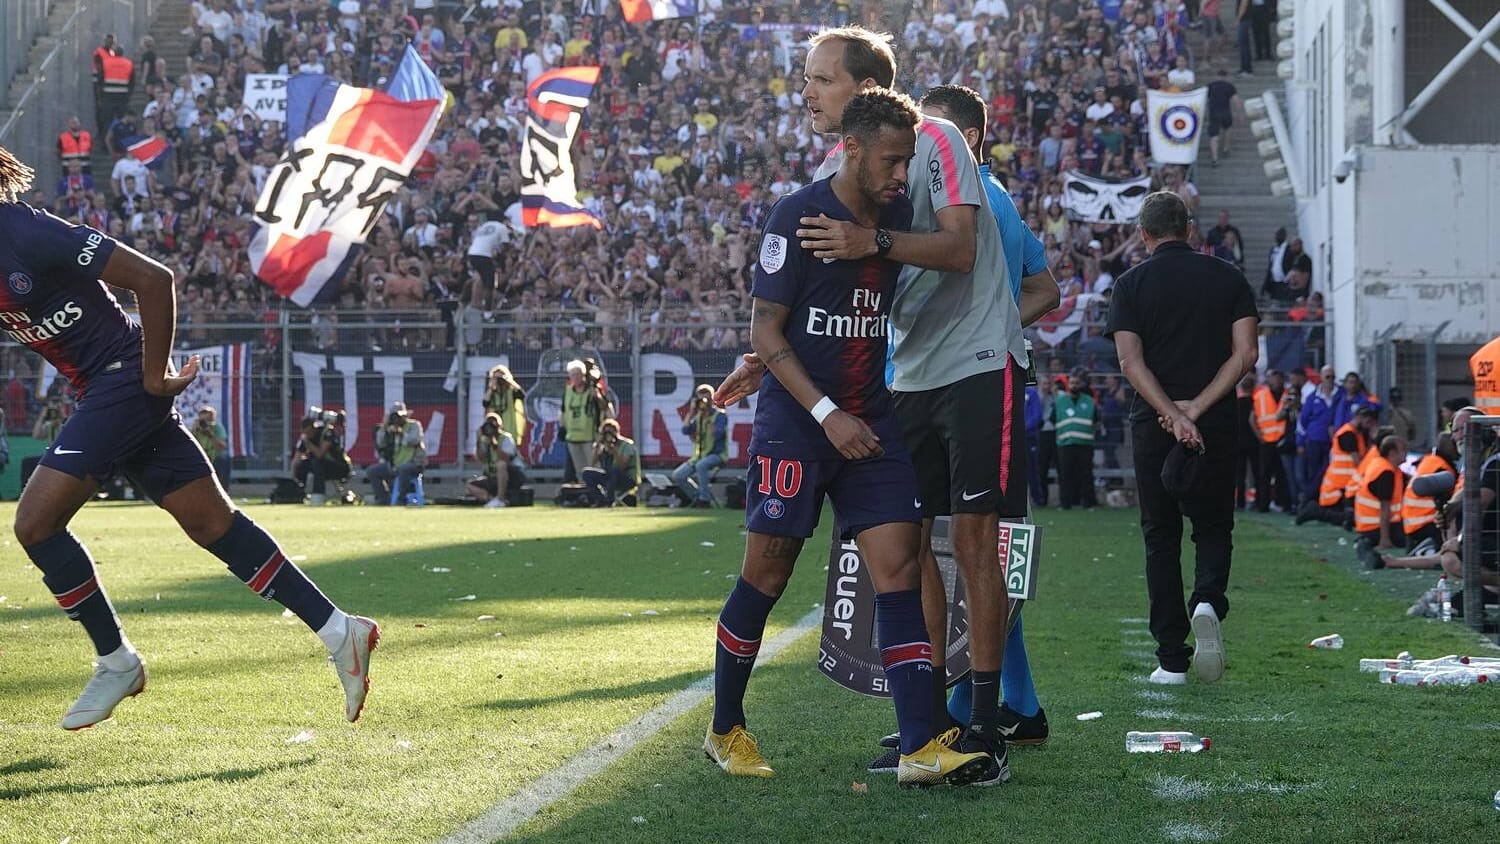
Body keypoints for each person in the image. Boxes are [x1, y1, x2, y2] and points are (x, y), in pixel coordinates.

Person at [714, 31, 1026, 781]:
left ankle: (935, 735)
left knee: (909, 556)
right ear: (857, 150)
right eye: (809, 78)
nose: (808, 92)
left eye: (821, 79)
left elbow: (955, 249)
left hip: (929, 383)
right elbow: (785, 309)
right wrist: (769, 360)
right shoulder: (813, 197)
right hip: (830, 411)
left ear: (860, 93)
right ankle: (726, 726)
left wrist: (871, 241)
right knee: (770, 569)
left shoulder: (933, 143)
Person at [0, 144, 377, 730]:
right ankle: (339, 630)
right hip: (104, 391)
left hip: (123, 381)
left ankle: (116, 660)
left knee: (35, 524)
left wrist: (154, 374)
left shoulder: (26, 231)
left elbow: (155, 280)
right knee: (211, 524)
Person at [917, 83, 1059, 746]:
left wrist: (987, 329)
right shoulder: (969, 193)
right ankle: (1020, 704)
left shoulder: (980, 196)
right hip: (960, 379)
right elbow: (1044, 286)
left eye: (937, 128)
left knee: (974, 550)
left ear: (970, 137)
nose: (925, 139)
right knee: (974, 549)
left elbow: (1044, 289)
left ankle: (975, 705)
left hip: (976, 383)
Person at [1107, 191, 1260, 685]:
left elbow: (1130, 363)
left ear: (1143, 235)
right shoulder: (1229, 278)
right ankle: (1210, 601)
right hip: (1214, 419)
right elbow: (1245, 355)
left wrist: (1172, 413)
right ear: (1190, 229)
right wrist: (1196, 408)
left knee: (1161, 536)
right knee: (1214, 526)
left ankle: (1171, 658)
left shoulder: (1130, 284)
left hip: (1153, 423)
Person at [1299, 405, 1379, 524]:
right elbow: (1358, 462)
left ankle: (1316, 511)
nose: (1370, 425)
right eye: (1368, 421)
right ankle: (1315, 512)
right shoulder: (1348, 434)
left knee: (1352, 516)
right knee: (1349, 518)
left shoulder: (1357, 434)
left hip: (1345, 485)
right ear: (1359, 417)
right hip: (1339, 487)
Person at [1354, 435, 1408, 570]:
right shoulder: (1386, 472)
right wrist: (1384, 539)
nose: (1406, 452)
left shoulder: (1381, 465)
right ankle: (1368, 547)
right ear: (1392, 453)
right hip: (1377, 527)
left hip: (1369, 525)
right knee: (1411, 538)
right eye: (1403, 449)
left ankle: (1365, 543)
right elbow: (1385, 507)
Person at [671, 383, 728, 508]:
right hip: (699, 456)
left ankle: (704, 500)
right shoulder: (698, 417)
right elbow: (685, 430)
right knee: (677, 475)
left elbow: (718, 435)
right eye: (700, 398)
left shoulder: (720, 415)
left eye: (706, 398)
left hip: (717, 455)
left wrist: (709, 423)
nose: (703, 402)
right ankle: (698, 497)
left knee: (701, 465)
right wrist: (691, 412)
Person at [1054, 367, 1098, 509]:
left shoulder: (1090, 401)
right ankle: (1065, 503)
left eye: (1076, 383)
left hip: (1085, 444)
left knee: (1086, 475)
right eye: (1072, 383)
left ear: (1081, 385)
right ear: (1068, 384)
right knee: (1065, 475)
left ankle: (1088, 503)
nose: (1074, 385)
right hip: (1065, 443)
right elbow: (1053, 419)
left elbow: (1096, 420)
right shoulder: (1060, 401)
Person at [561, 358, 610, 482]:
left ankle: (600, 493)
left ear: (583, 375)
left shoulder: (592, 390)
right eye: (572, 375)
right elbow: (563, 411)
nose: (575, 378)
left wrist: (597, 395)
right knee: (579, 470)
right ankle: (585, 493)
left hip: (590, 436)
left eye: (578, 374)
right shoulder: (568, 392)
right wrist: (563, 427)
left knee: (594, 467)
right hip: (573, 436)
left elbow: (604, 407)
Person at [1250, 370, 1292, 512]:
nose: (1276, 381)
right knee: (1265, 474)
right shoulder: (1260, 395)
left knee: (1283, 474)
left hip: (1281, 440)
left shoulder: (1288, 395)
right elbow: (1252, 418)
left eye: (1279, 378)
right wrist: (1259, 436)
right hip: (1266, 440)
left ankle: (1283, 503)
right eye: (1273, 378)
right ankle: (1263, 504)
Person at [368, 401, 426, 504]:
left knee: (404, 469)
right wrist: (384, 428)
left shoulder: (414, 425)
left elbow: (415, 440)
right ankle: (384, 499)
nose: (397, 419)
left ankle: (402, 498)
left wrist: (401, 433)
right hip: (395, 463)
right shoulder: (390, 428)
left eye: (399, 416)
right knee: (373, 471)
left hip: (414, 463)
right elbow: (380, 443)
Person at [1297, 365, 1338, 505]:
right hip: (1315, 441)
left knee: (1327, 472)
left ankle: (1320, 500)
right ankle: (1311, 500)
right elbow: (1302, 421)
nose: (1330, 380)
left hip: (1333, 442)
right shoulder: (1312, 397)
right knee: (1313, 472)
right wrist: (1300, 442)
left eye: (1333, 377)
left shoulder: (1339, 395)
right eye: (1328, 377)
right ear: (1321, 378)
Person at [468, 411, 525, 508]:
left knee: (501, 464)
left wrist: (494, 444)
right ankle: (491, 500)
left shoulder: (506, 438)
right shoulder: (485, 440)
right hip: (494, 476)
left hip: (513, 475)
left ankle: (500, 499)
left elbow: (505, 459)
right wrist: (478, 441)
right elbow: (480, 458)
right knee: (471, 485)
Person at [582, 418, 640, 506]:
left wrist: (614, 452)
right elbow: (592, 464)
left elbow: (622, 467)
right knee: (587, 473)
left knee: (615, 471)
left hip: (627, 479)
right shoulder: (603, 446)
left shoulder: (627, 445)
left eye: (611, 432)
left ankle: (610, 500)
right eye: (605, 433)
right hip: (610, 477)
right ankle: (601, 500)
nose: (608, 436)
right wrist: (598, 448)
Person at [482, 363, 526, 446]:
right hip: (494, 427)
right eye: (496, 378)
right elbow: (485, 403)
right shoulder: (492, 393)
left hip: (509, 427)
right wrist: (491, 387)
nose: (499, 381)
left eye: (500, 378)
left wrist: (509, 381)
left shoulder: (511, 392)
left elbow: (522, 395)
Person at [1204, 71, 1241, 166]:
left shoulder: (1210, 86)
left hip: (1214, 114)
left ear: (1216, 76)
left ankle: (1214, 159)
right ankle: (1226, 148)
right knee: (1227, 128)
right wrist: (1239, 114)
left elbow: (1203, 99)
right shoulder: (1229, 86)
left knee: (1214, 136)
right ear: (1226, 77)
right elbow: (1236, 100)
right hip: (1226, 112)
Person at [190, 405, 231, 488]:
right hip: (200, 456)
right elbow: (189, 444)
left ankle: (222, 488)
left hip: (215, 456)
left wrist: (210, 434)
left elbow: (222, 446)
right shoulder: (196, 427)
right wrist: (194, 430)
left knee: (224, 457)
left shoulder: (217, 427)